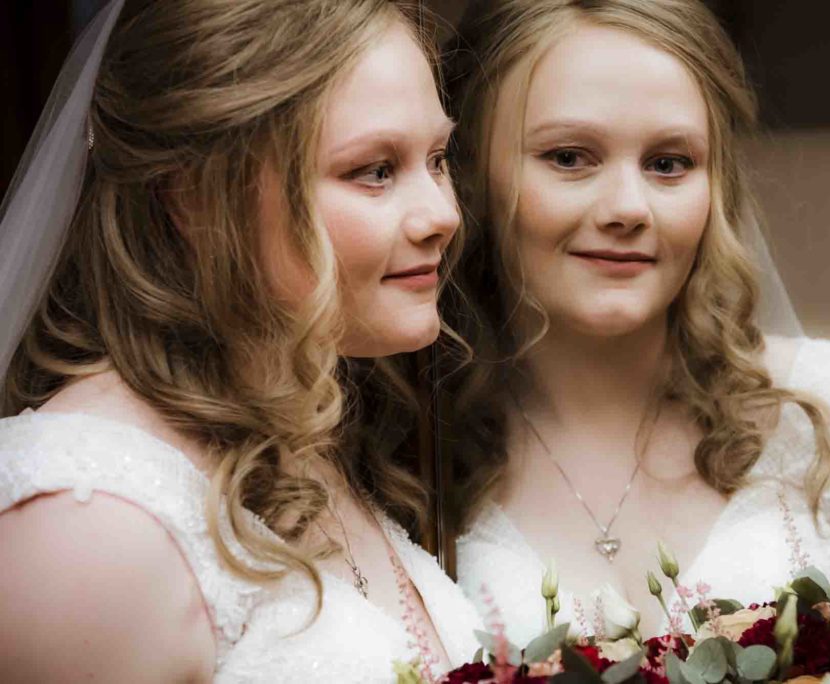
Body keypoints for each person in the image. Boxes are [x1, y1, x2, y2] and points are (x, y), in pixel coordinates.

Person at [443, 0, 830, 647]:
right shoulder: (397, 460)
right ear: (471, 172)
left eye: (669, 163)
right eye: (568, 157)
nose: (627, 207)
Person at [0, 0, 480, 680]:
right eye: (374, 170)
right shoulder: (88, 526)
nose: (443, 214)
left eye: (437, 158)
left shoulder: (298, 434)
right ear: (193, 195)